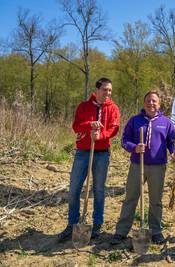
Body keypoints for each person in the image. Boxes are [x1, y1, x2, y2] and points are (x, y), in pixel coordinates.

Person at [111, 90, 175, 245]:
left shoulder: (167, 123)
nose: (151, 103)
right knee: (131, 198)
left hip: (158, 167)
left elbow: (173, 143)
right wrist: (134, 147)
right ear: (144, 103)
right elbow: (124, 140)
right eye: (148, 100)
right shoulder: (135, 121)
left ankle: (156, 231)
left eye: (154, 101)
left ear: (159, 104)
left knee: (156, 200)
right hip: (137, 165)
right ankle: (121, 231)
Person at [58, 77, 120, 241]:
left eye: (110, 90)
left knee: (99, 190)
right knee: (74, 190)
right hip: (83, 152)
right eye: (105, 89)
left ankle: (97, 224)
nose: (108, 93)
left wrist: (101, 135)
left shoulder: (113, 108)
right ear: (97, 90)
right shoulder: (84, 106)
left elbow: (114, 129)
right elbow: (76, 126)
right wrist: (90, 125)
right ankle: (72, 224)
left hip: (102, 153)